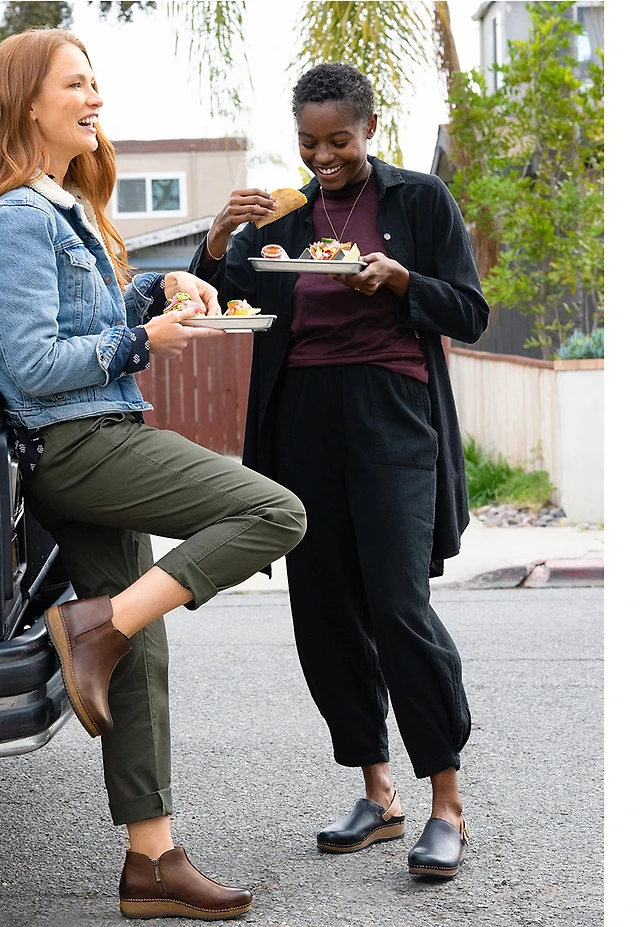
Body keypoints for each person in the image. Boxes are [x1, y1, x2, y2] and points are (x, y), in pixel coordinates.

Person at [0, 28, 307, 920]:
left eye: (97, 84)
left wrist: (161, 293)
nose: (96, 98)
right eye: (78, 84)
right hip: (81, 447)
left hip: (95, 437)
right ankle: (93, 628)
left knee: (143, 652)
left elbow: (76, 322)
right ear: (28, 102)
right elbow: (32, 363)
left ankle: (151, 861)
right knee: (275, 511)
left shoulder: (57, 207)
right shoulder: (15, 218)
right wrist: (145, 340)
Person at [189, 61, 490, 880]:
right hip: (300, 422)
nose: (324, 157)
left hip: (393, 413)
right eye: (309, 143)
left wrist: (402, 281)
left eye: (340, 141)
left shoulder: (419, 200)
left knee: (398, 605)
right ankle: (377, 790)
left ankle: (447, 802)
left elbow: (469, 308)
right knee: (324, 611)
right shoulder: (282, 218)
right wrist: (219, 237)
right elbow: (213, 297)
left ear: (370, 128)